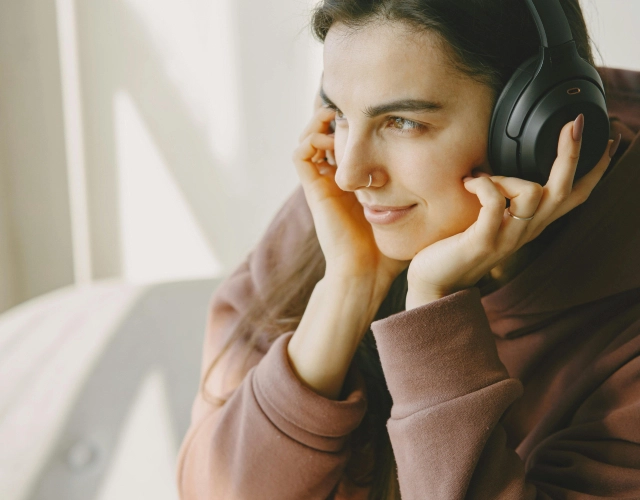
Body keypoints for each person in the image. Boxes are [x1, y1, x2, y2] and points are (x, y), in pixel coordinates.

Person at [175, 1, 640, 498]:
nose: (353, 174)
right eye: (339, 114)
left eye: (401, 123)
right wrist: (349, 284)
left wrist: (434, 310)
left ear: (535, 131)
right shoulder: (351, 204)